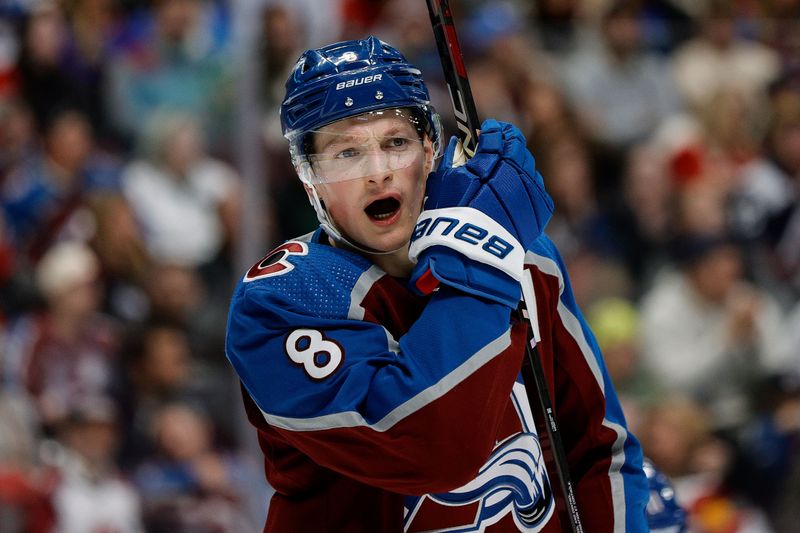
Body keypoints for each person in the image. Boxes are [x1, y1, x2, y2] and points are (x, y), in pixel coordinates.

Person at [225, 36, 648, 531]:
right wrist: (481, 254)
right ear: (308, 177)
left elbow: (599, 449)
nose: (378, 173)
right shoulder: (280, 301)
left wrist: (482, 249)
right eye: (346, 153)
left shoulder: (529, 259)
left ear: (430, 148)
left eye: (396, 142)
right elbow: (430, 448)